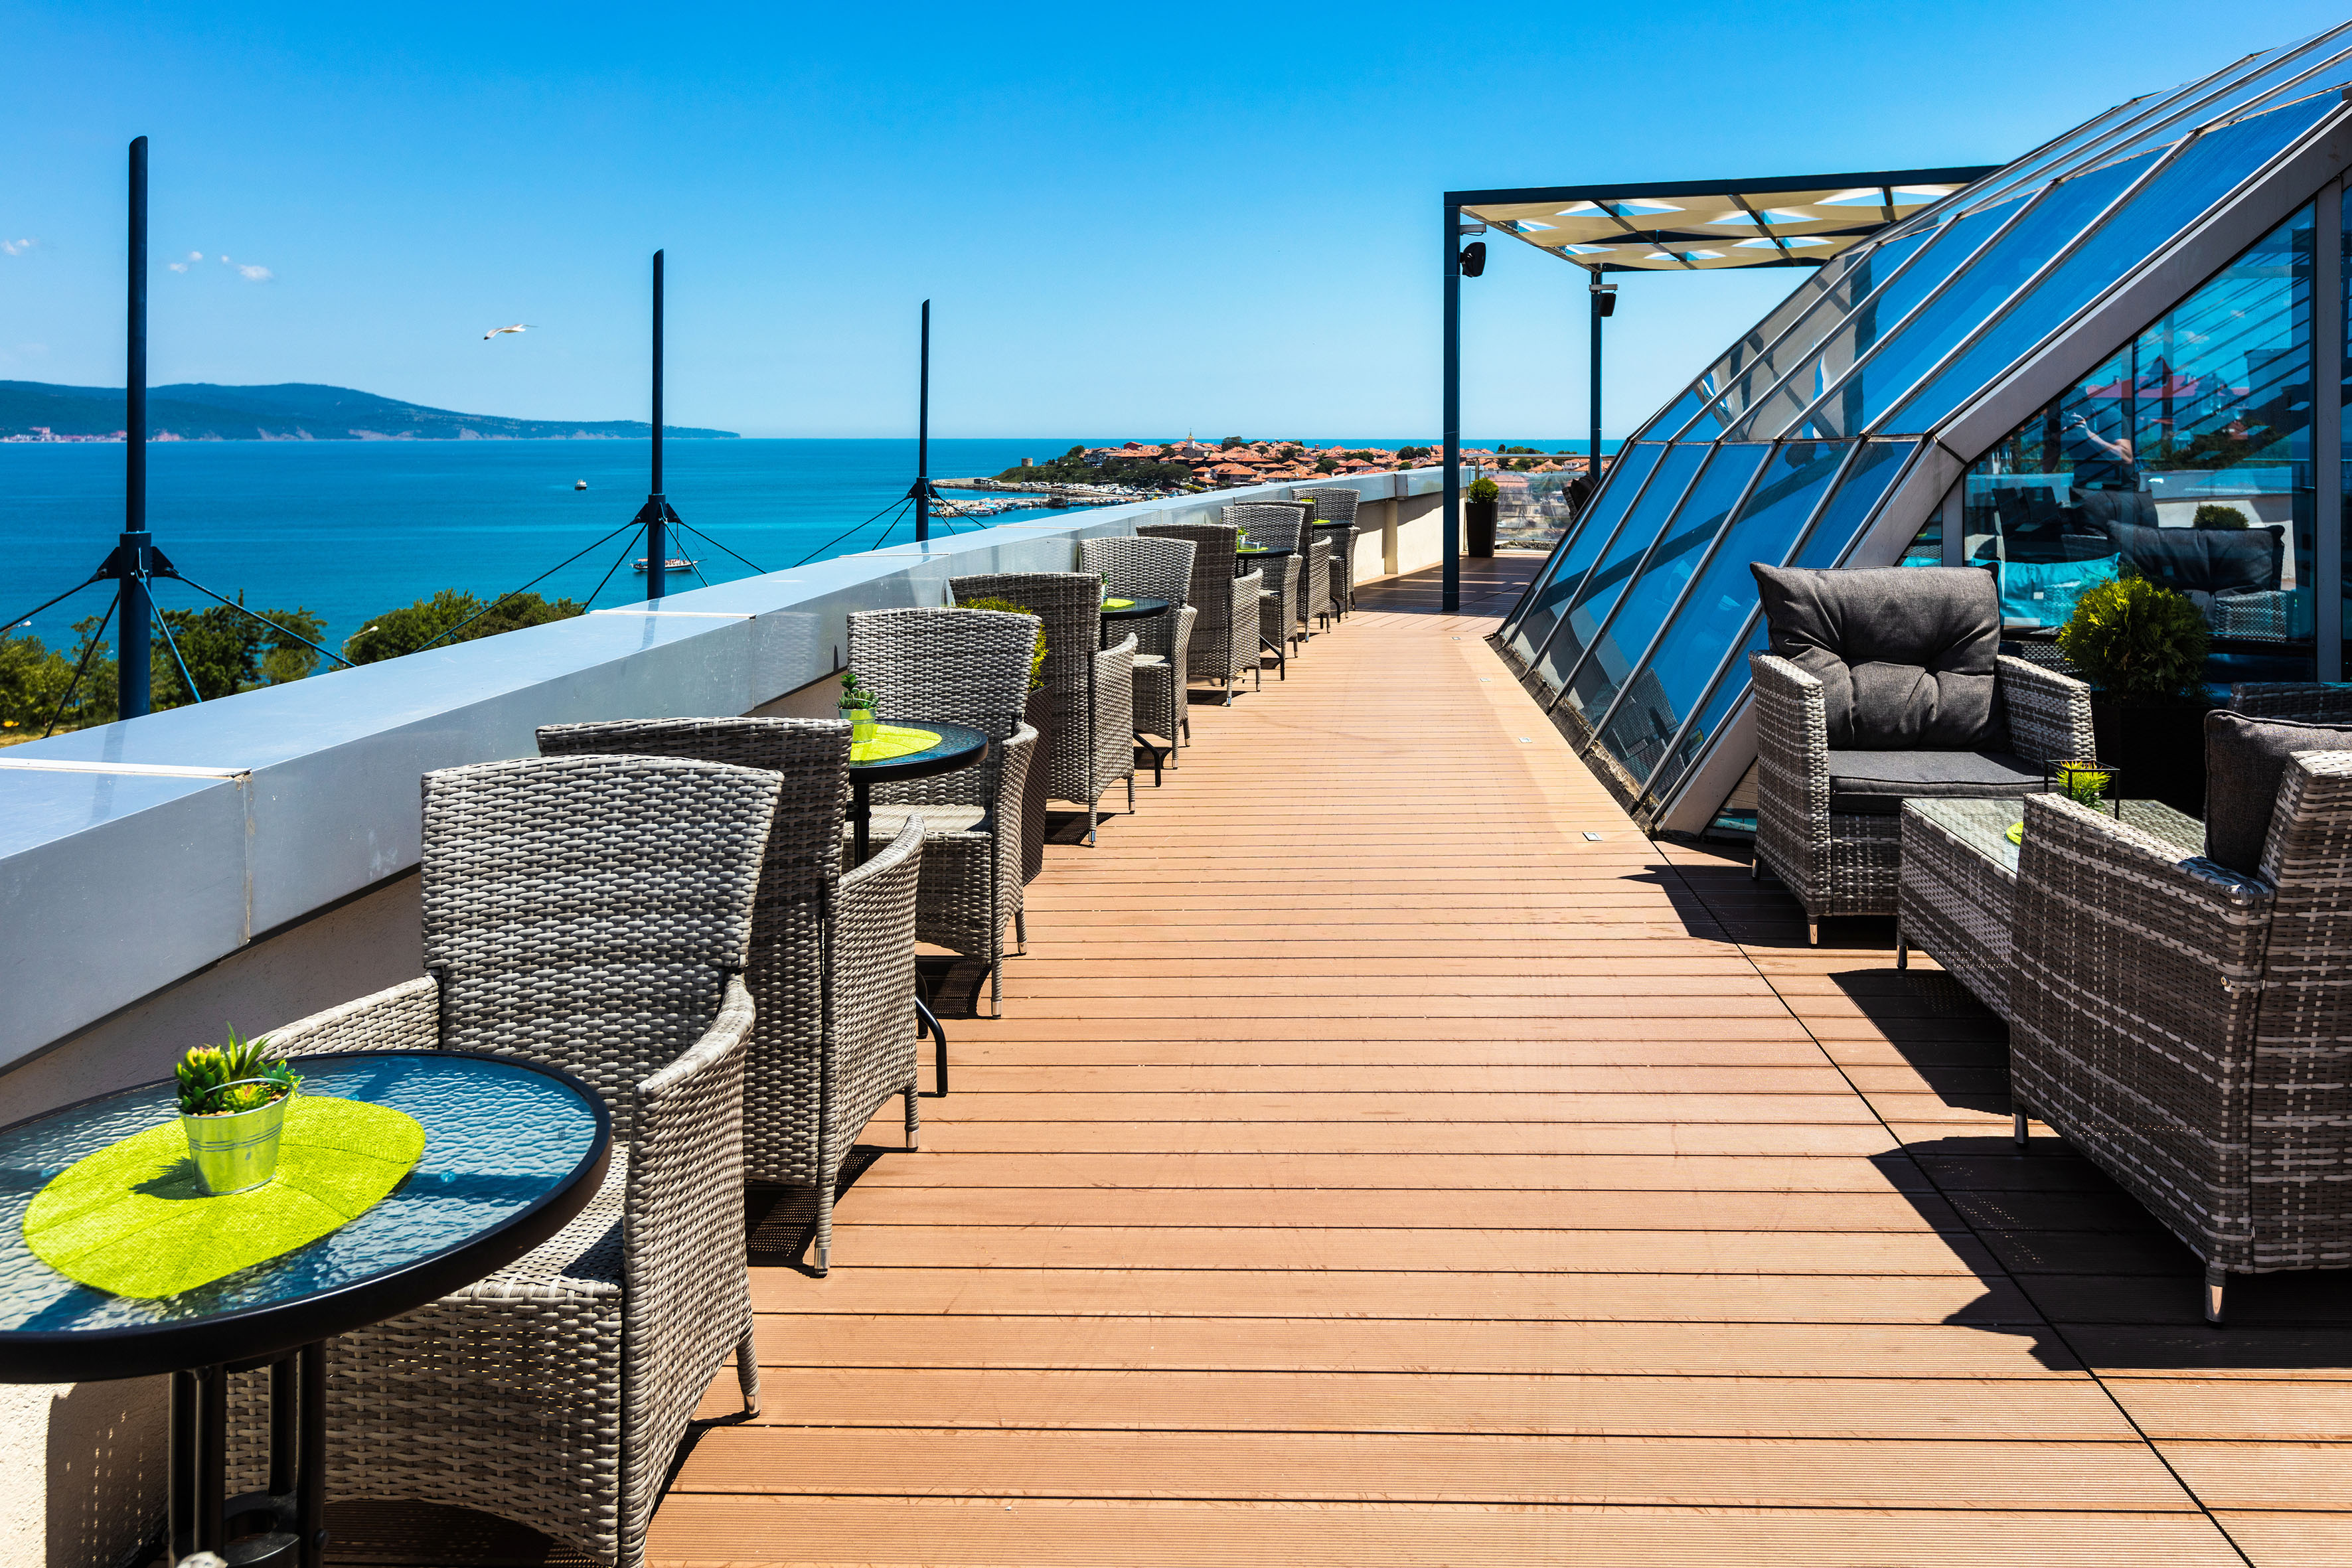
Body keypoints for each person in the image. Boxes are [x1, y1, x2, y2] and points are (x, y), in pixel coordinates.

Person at [2063, 410, 2137, 491]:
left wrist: (2088, 434)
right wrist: (2055, 440)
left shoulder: (2110, 416)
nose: (2073, 418)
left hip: (2117, 488)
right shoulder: (2065, 426)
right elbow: (2048, 467)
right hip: (2083, 486)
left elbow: (2126, 458)